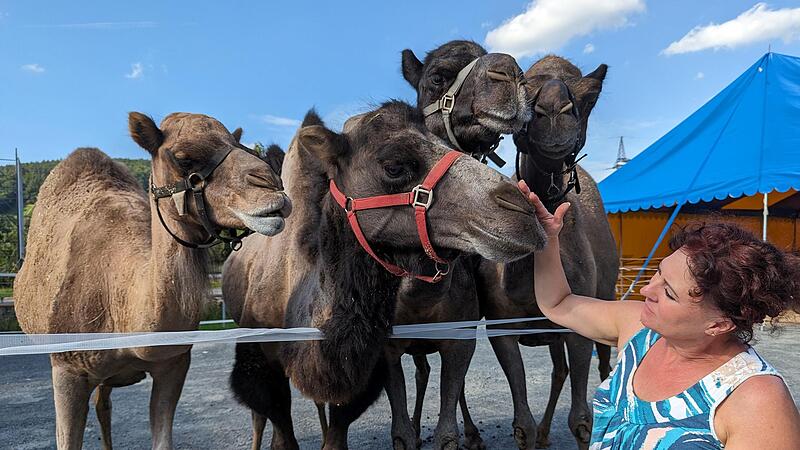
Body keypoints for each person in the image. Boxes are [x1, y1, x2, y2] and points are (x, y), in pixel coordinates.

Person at [518, 180, 800, 449]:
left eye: (669, 293)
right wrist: (548, 239)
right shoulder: (640, 331)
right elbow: (559, 303)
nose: (645, 290)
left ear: (719, 324)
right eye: (658, 273)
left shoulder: (757, 402)